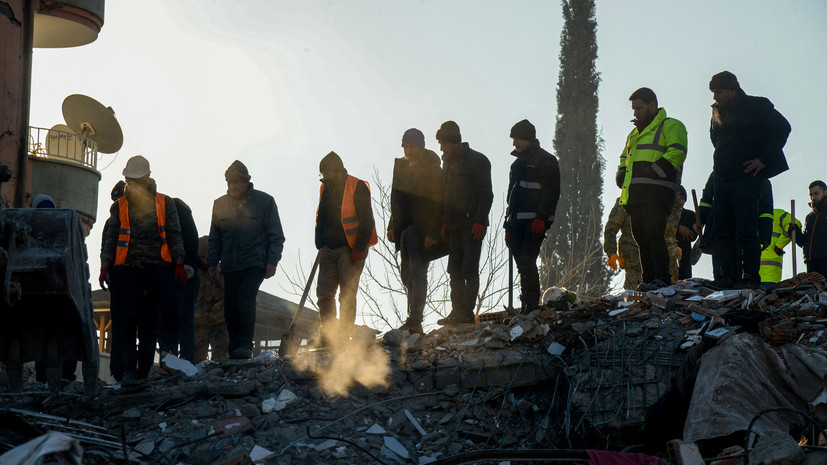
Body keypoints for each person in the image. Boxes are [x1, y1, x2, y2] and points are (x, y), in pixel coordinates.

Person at [99, 155, 187, 382]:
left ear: (147, 178)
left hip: (158, 268)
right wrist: (105, 265)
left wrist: (179, 263)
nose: (133, 184)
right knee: (128, 320)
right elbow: (111, 237)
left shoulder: (165, 203)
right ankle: (129, 370)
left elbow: (176, 234)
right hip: (127, 269)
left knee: (160, 317)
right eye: (130, 179)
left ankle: (150, 366)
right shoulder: (119, 206)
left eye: (136, 180)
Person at [707, 71, 791, 289]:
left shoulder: (756, 106)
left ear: (733, 90)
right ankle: (727, 277)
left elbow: (782, 127)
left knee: (747, 229)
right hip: (722, 179)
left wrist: (763, 159)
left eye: (719, 91)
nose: (715, 96)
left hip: (746, 179)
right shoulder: (716, 113)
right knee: (723, 231)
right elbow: (716, 141)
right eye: (713, 92)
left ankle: (751, 276)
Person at [208, 160, 285, 360]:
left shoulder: (265, 202)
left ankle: (245, 345)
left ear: (246, 182)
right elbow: (215, 238)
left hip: (254, 263)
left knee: (245, 300)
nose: (233, 185)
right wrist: (211, 262)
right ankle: (234, 349)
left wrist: (272, 261)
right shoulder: (219, 205)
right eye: (230, 182)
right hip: (230, 265)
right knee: (230, 307)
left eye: (238, 182)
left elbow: (276, 236)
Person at [616, 87, 687, 291]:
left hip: (657, 193)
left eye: (638, 108)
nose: (635, 113)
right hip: (635, 195)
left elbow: (677, 151)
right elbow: (624, 157)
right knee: (641, 238)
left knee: (654, 235)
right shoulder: (634, 133)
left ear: (652, 105)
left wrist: (655, 170)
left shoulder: (670, 125)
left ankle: (662, 279)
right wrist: (621, 172)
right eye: (633, 109)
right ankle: (648, 280)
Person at [315, 151, 377, 347]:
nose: (324, 178)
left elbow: (367, 220)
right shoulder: (325, 189)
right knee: (324, 293)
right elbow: (321, 218)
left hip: (351, 249)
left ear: (338, 171)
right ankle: (329, 334)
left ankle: (342, 336)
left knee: (346, 295)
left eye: (326, 174)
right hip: (329, 248)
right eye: (322, 175)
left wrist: (359, 248)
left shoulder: (357, 186)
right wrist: (320, 244)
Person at [388, 128, 445, 334]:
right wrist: (392, 224)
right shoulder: (401, 168)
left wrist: (432, 232)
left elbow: (438, 203)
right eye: (405, 146)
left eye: (411, 146)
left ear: (420, 147)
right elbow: (397, 199)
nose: (408, 150)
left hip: (422, 230)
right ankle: (410, 318)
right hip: (404, 228)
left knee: (417, 273)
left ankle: (415, 318)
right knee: (406, 276)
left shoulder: (432, 169)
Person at [435, 121, 493, 325]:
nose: (442, 148)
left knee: (469, 269)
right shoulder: (448, 163)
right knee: (454, 270)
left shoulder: (478, 160)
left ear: (454, 141)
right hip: (453, 225)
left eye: (444, 143)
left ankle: (466, 313)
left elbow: (486, 194)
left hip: (470, 225)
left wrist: (479, 220)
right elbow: (445, 195)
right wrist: (444, 221)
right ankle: (456, 311)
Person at [504, 119, 560, 312]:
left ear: (528, 138)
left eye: (517, 139)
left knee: (527, 260)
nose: (514, 143)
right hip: (517, 223)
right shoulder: (516, 165)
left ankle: (531, 304)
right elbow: (511, 199)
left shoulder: (546, 161)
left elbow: (551, 192)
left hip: (534, 222)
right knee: (521, 262)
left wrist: (542, 218)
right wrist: (507, 225)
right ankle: (527, 303)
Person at [170, 198, 199, 361]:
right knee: (168, 319)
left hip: (184, 272)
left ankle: (186, 359)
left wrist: (187, 264)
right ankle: (171, 358)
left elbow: (190, 237)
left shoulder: (174, 207)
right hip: (168, 271)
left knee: (184, 317)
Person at [194, 236, 228, 362]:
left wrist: (217, 274)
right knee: (197, 361)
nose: (204, 261)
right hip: (198, 324)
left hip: (219, 323)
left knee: (220, 360)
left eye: (208, 257)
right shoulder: (195, 274)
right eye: (202, 257)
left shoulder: (221, 271)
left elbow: (228, 289)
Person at [790, 180, 827, 277]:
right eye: (811, 195)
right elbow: (805, 242)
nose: (813, 198)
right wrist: (795, 233)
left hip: (825, 261)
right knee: (813, 290)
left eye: (816, 194)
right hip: (811, 262)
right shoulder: (810, 217)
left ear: (825, 192)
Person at [604, 197, 642, 290]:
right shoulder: (626, 199)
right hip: (632, 260)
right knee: (633, 294)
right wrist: (611, 252)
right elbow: (611, 228)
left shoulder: (656, 196)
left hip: (655, 258)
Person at [760, 208, 801, 285]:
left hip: (769, 276)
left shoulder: (776, 214)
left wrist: (779, 245)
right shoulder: (748, 215)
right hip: (750, 276)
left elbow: (794, 223)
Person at [674, 186, 698, 280]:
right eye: (676, 198)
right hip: (666, 255)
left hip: (684, 256)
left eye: (682, 198)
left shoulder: (690, 215)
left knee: (684, 282)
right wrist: (678, 228)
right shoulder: (665, 214)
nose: (679, 201)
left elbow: (692, 236)